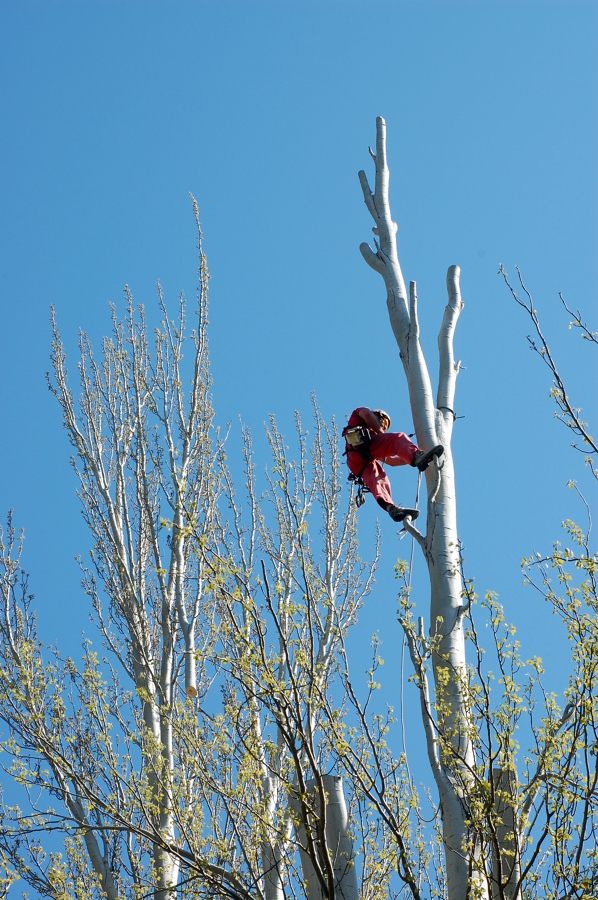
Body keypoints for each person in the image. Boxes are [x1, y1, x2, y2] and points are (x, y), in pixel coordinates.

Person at [343, 407, 444, 522]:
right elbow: (367, 415)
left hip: (358, 461)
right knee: (398, 438)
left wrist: (421, 458)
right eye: (383, 421)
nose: (384, 426)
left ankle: (391, 508)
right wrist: (416, 456)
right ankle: (417, 456)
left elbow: (392, 461)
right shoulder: (359, 413)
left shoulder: (374, 440)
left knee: (380, 479)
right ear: (377, 415)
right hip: (362, 447)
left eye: (386, 425)